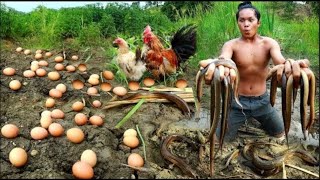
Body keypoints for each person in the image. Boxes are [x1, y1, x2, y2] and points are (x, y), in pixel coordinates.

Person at [199, 1, 310, 142]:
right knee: (218, 139)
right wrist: (216, 63)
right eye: (242, 20)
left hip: (263, 102)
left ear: (258, 22)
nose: (246, 24)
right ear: (237, 23)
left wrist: (294, 64)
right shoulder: (231, 45)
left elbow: (281, 62)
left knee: (280, 133)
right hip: (237, 103)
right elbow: (224, 59)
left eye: (251, 20)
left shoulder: (269, 43)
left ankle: (260, 119)